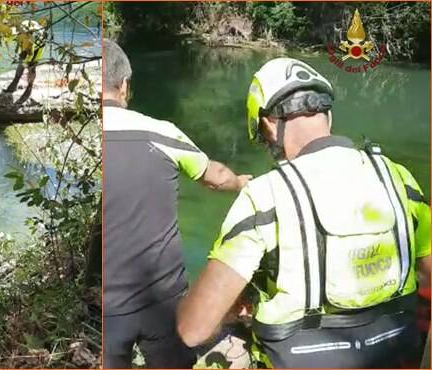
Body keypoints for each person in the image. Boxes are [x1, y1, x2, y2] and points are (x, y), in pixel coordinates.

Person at [177, 57, 431, 368]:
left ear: (269, 124)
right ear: (328, 115)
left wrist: (243, 306)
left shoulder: (264, 195)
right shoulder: (398, 178)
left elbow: (193, 329)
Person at [102, 39, 251, 369]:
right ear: (124, 85)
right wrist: (241, 182)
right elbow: (216, 176)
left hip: (105, 307)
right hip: (163, 300)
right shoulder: (162, 133)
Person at [3, 20, 45, 104]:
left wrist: (24, 60)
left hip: (38, 45)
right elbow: (7, 40)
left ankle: (29, 87)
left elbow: (29, 54)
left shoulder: (28, 38)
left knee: (31, 66)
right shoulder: (16, 30)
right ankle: (15, 82)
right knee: (21, 60)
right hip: (27, 38)